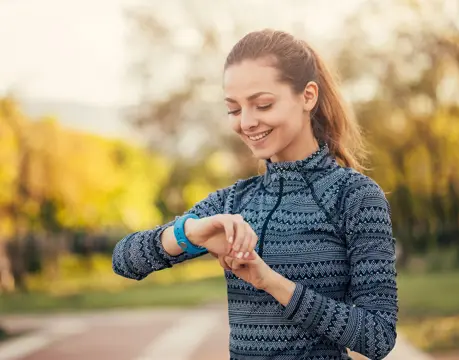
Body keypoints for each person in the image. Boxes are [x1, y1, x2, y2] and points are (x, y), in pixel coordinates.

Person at [112, 29, 398, 360]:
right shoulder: (233, 204)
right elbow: (125, 260)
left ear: (308, 96)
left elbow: (377, 336)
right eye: (234, 109)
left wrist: (271, 282)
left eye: (262, 104)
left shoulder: (355, 197)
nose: (247, 122)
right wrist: (188, 232)